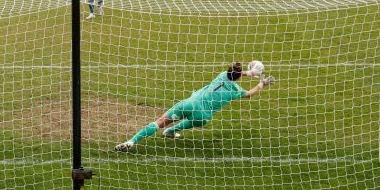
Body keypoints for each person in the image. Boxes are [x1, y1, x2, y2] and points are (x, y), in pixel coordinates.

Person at [115, 62, 275, 152]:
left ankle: (131, 142)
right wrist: (262, 82)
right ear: (239, 76)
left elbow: (236, 73)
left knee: (159, 122)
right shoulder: (236, 91)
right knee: (191, 121)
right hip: (203, 117)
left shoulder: (221, 75)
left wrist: (249, 71)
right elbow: (249, 94)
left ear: (228, 72)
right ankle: (170, 132)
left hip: (189, 104)